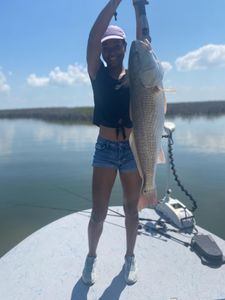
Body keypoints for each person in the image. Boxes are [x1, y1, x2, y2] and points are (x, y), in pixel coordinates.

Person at [82, 0, 151, 286]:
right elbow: (92, 37)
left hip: (133, 150)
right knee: (98, 213)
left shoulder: (136, 75)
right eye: (106, 47)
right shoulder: (96, 73)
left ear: (124, 48)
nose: (110, 51)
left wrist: (138, 7)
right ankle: (91, 258)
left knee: (131, 210)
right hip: (106, 150)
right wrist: (115, 2)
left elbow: (145, 44)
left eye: (115, 46)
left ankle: (130, 257)